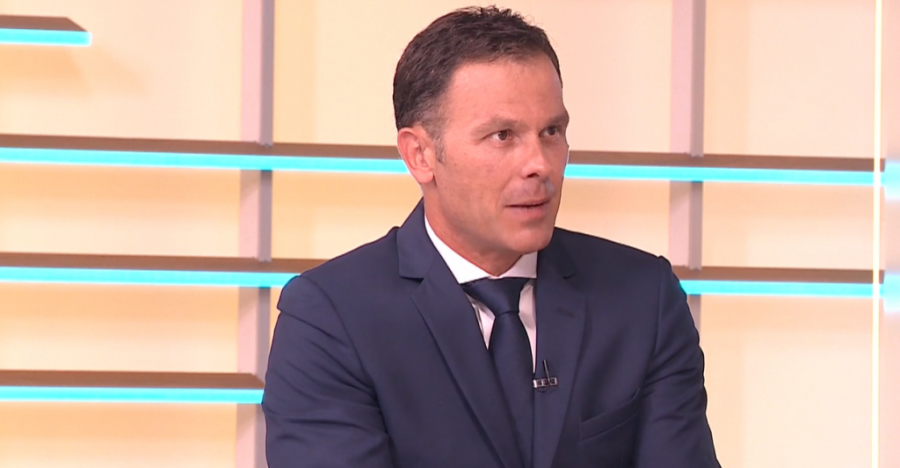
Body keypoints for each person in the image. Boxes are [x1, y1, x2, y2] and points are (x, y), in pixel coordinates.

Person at [263, 6, 720, 468]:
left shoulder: (643, 297)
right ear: (420, 155)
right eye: (503, 136)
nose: (539, 164)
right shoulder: (331, 318)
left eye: (551, 131)